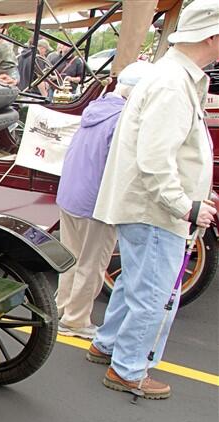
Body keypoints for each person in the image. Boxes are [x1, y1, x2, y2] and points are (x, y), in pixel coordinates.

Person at [88, 0, 218, 399]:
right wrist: (186, 204)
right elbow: (156, 159)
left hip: (146, 204)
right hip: (156, 208)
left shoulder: (170, 76)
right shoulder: (173, 82)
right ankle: (128, 369)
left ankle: (107, 344)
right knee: (155, 291)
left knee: (136, 282)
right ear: (212, 36)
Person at [55, 61, 153, 340]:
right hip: (96, 202)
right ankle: (76, 319)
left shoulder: (97, 109)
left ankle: (63, 307)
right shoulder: (124, 120)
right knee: (92, 264)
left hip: (70, 194)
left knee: (71, 259)